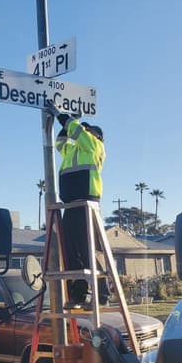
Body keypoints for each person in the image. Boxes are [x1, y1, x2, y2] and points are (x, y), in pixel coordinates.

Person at [47, 101, 109, 306]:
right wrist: (68, 123)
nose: (84, 132)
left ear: (97, 136)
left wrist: (64, 115)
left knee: (88, 249)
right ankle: (79, 294)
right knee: (71, 251)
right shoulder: (73, 152)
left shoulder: (94, 146)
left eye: (88, 131)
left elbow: (75, 130)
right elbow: (60, 143)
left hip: (87, 204)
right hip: (71, 206)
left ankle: (102, 295)